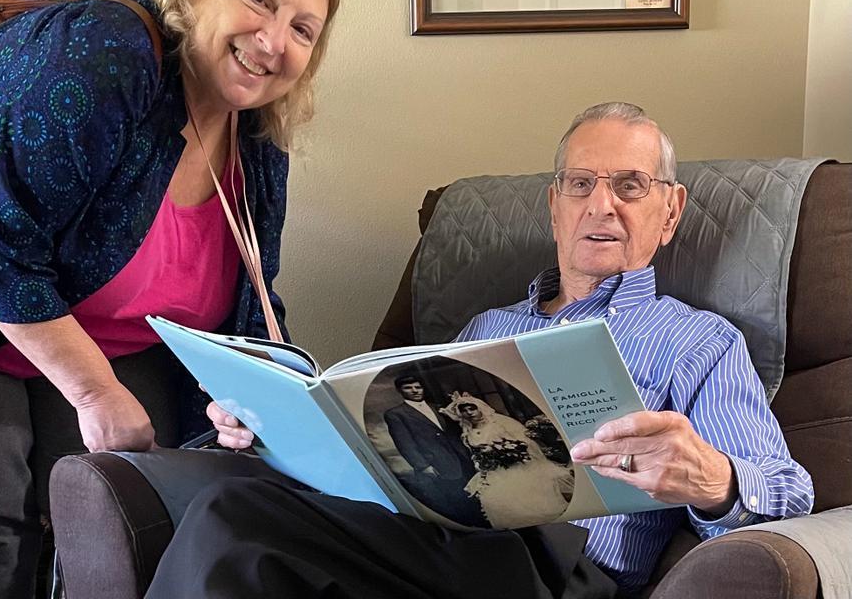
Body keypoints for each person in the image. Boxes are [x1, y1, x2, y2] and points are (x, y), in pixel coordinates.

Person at [143, 101, 813, 599]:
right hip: (429, 547)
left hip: (562, 571)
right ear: (554, 207)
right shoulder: (485, 326)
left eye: (629, 185)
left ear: (668, 212)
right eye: (580, 184)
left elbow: (787, 495)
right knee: (250, 549)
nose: (601, 205)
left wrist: (714, 480)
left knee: (232, 517)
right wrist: (269, 430)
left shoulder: (695, 341)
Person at [0, 0, 346, 599]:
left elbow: (251, 306)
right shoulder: (105, 49)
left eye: (302, 28)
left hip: (115, 347)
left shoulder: (256, 146)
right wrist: (93, 393)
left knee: (130, 525)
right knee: (1, 536)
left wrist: (253, 400)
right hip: (5, 309)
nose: (273, 41)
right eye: (258, 0)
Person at [440, 393, 575, 530]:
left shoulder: (499, 423)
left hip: (516, 467)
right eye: (464, 410)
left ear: (480, 408)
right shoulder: (467, 431)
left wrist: (505, 453)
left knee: (529, 500)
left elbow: (525, 444)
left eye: (472, 409)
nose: (469, 413)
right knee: (492, 499)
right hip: (493, 471)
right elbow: (475, 453)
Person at [382, 374, 483, 525]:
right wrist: (423, 466)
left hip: (462, 457)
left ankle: (486, 522)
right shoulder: (396, 414)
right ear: (400, 390)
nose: (415, 391)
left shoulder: (437, 407)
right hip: (437, 463)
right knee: (458, 500)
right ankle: (473, 528)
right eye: (408, 388)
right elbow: (404, 443)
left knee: (478, 493)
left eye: (418, 387)